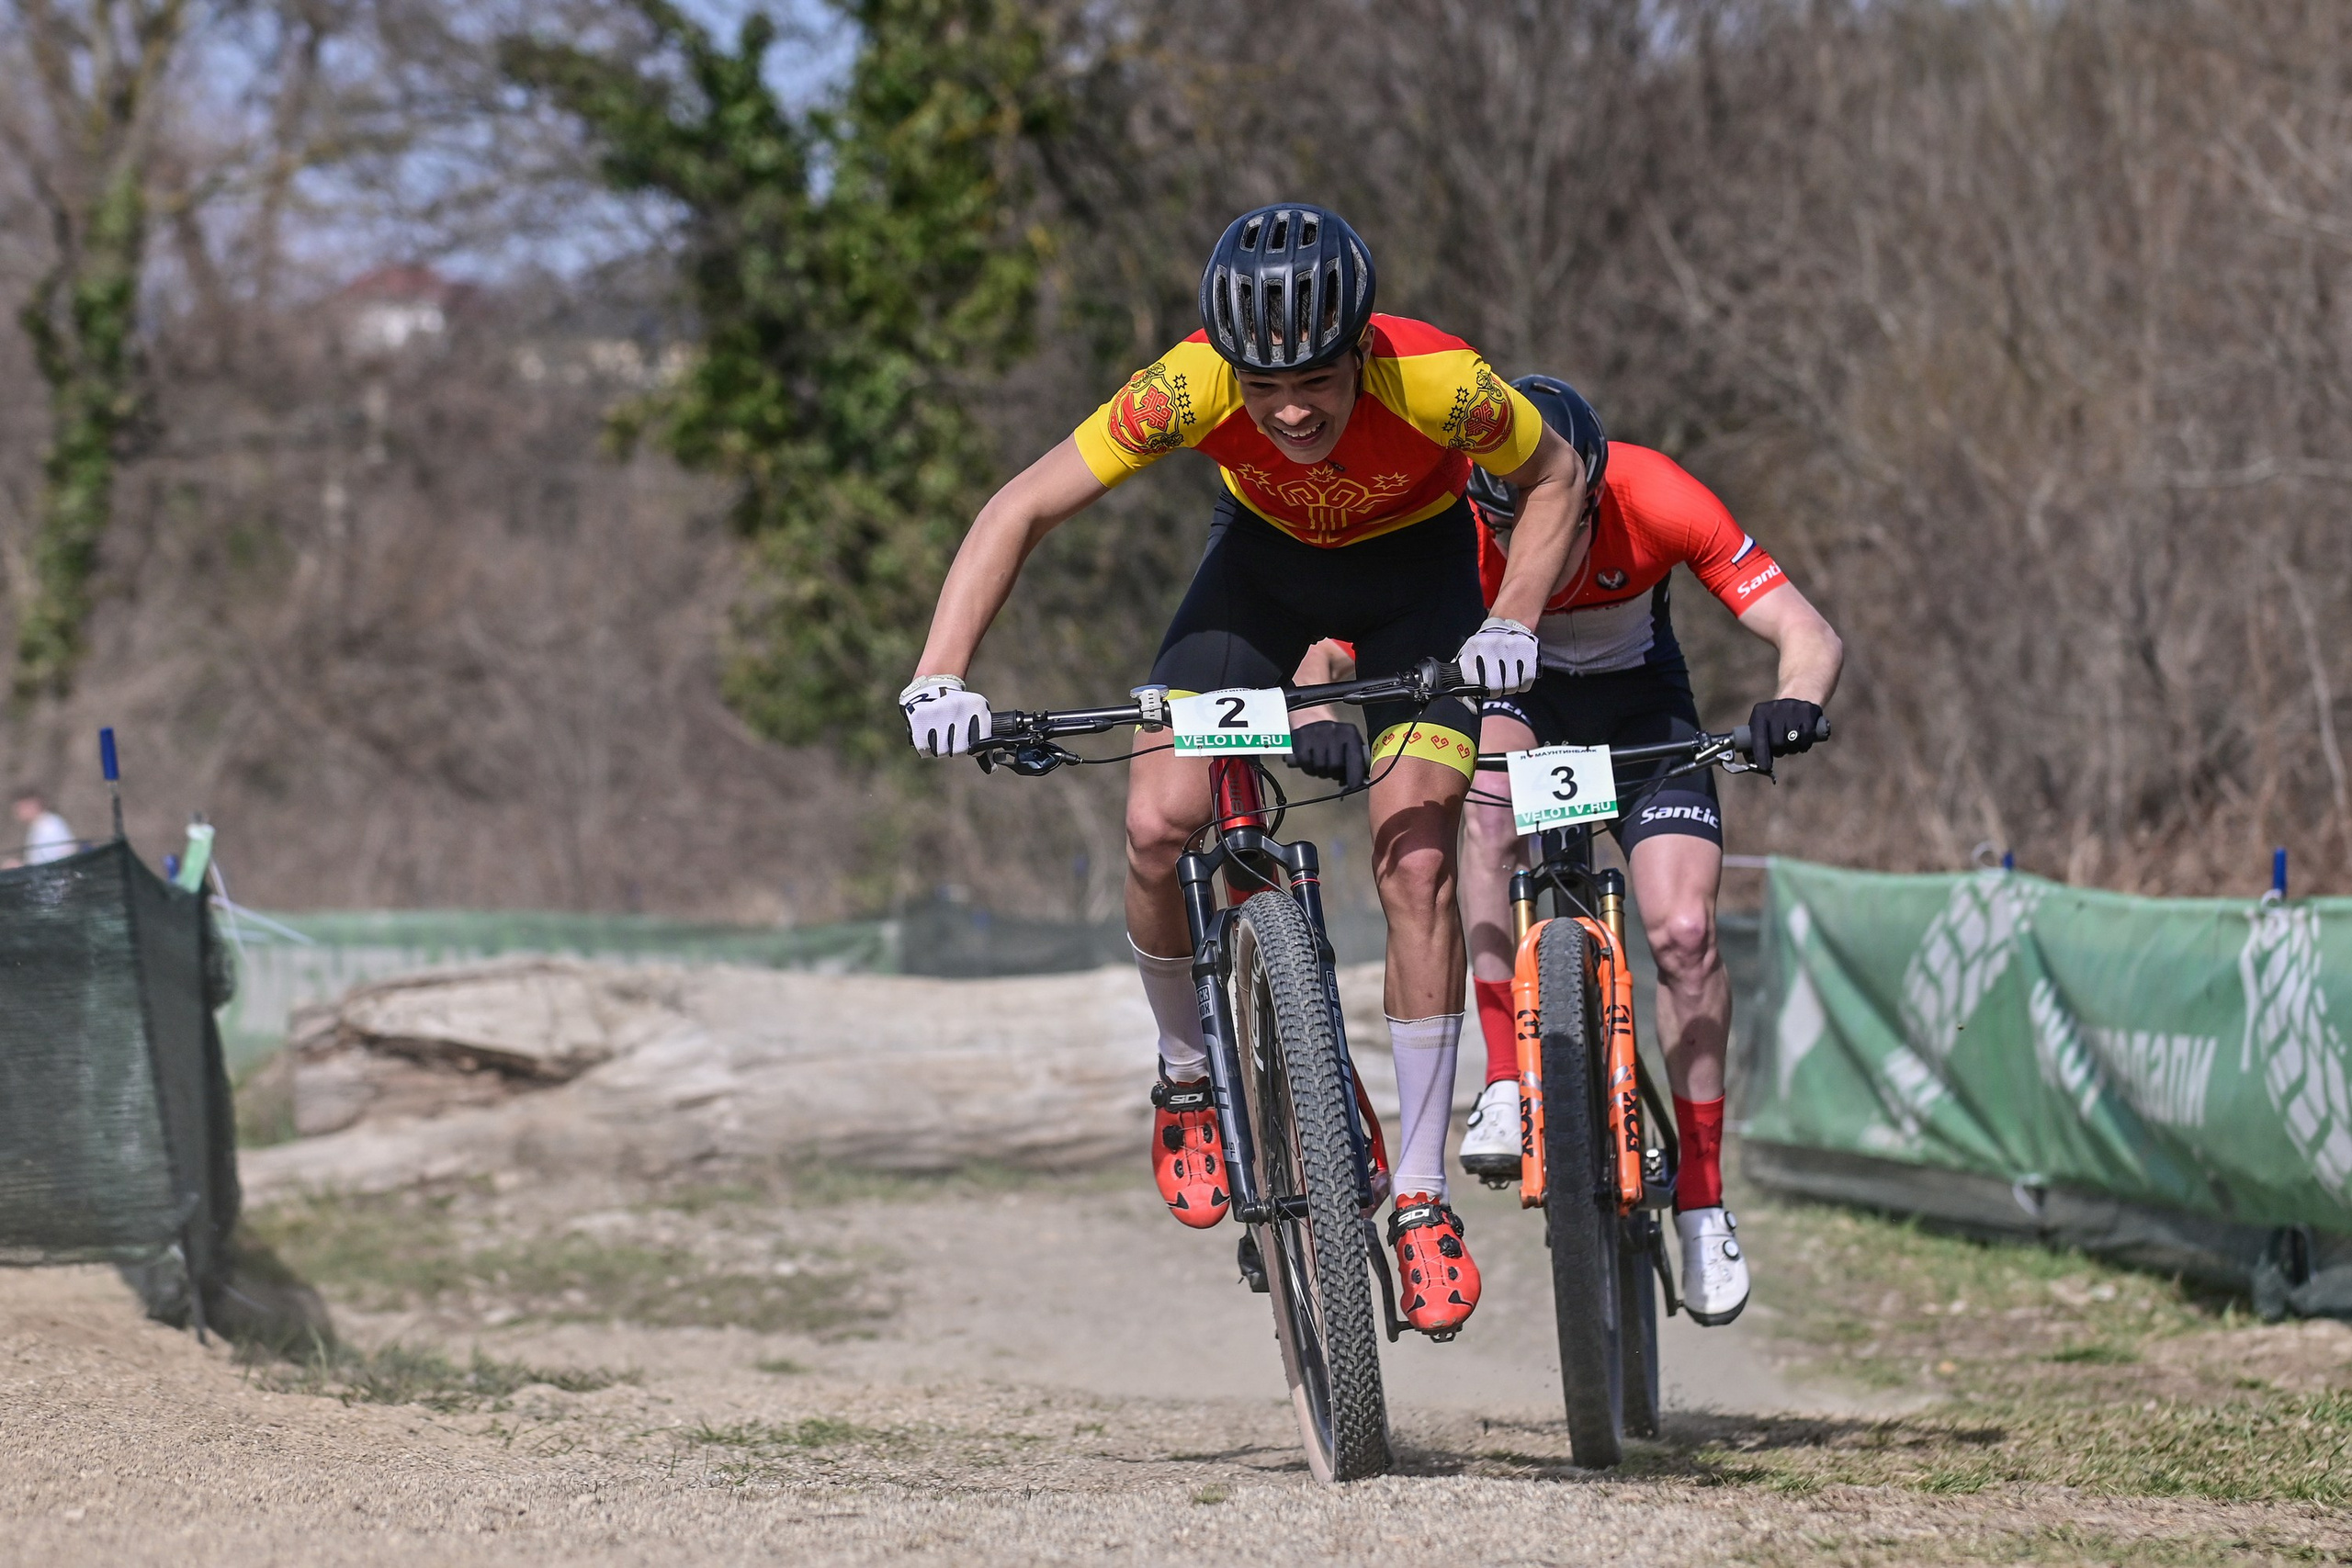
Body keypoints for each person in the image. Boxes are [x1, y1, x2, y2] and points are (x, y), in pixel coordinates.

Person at [900, 204, 1591, 1337]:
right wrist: (941, 672)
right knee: (1157, 824)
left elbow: (1557, 477)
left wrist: (1512, 616)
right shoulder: (1184, 388)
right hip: (1257, 583)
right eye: (1262, 385)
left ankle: (1418, 1197)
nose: (1290, 409)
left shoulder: (1438, 379)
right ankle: (1185, 1073)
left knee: (1415, 856)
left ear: (1360, 347)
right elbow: (1020, 506)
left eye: (1315, 378)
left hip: (1418, 588)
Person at [1443, 377, 1841, 1327]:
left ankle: (1702, 1199)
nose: (1523, 544)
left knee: (1686, 934)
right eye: (1504, 526)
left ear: (1587, 492)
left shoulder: (1656, 494)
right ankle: (1503, 1079)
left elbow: (1806, 630)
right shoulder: (1452, 518)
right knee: (1485, 818)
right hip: (1523, 709)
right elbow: (1342, 633)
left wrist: (1796, 701)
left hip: (1641, 715)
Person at [10, 790, 77, 868]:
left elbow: (54, 860)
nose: (16, 811)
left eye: (20, 807)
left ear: (32, 805)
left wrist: (22, 866)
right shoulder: (37, 826)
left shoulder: (49, 826)